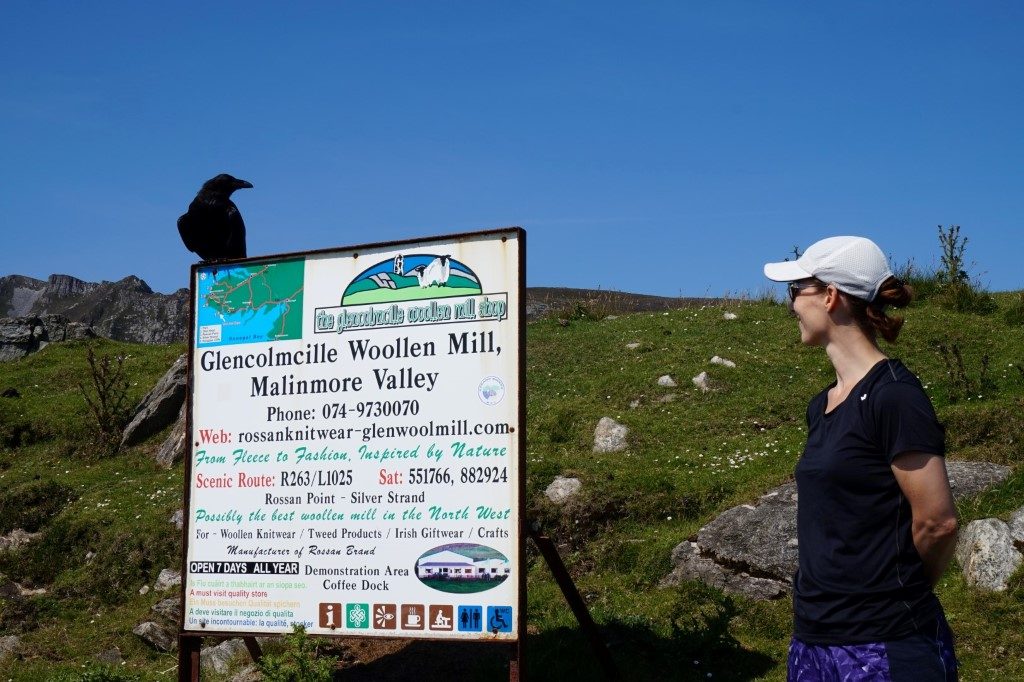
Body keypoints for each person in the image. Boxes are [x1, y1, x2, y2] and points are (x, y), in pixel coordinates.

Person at [764, 236, 960, 681]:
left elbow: (938, 522)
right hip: (814, 640)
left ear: (830, 296)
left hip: (882, 645)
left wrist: (899, 591)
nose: (791, 303)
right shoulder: (823, 405)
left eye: (796, 290)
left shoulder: (894, 397)